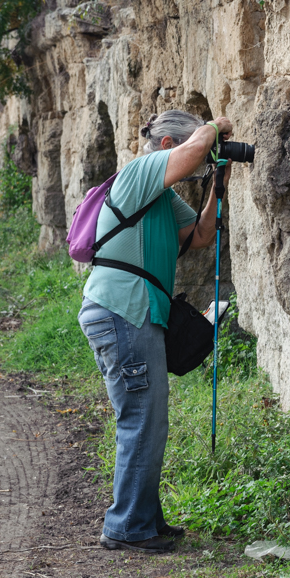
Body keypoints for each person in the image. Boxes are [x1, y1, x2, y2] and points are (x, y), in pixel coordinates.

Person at [77, 110, 234, 553]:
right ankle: (127, 526)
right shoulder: (141, 169)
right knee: (141, 418)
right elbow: (196, 149)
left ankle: (142, 516)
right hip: (122, 310)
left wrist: (219, 182)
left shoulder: (160, 197)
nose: (198, 167)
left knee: (149, 418)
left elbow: (200, 236)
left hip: (132, 312)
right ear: (167, 146)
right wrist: (215, 129)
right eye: (194, 157)